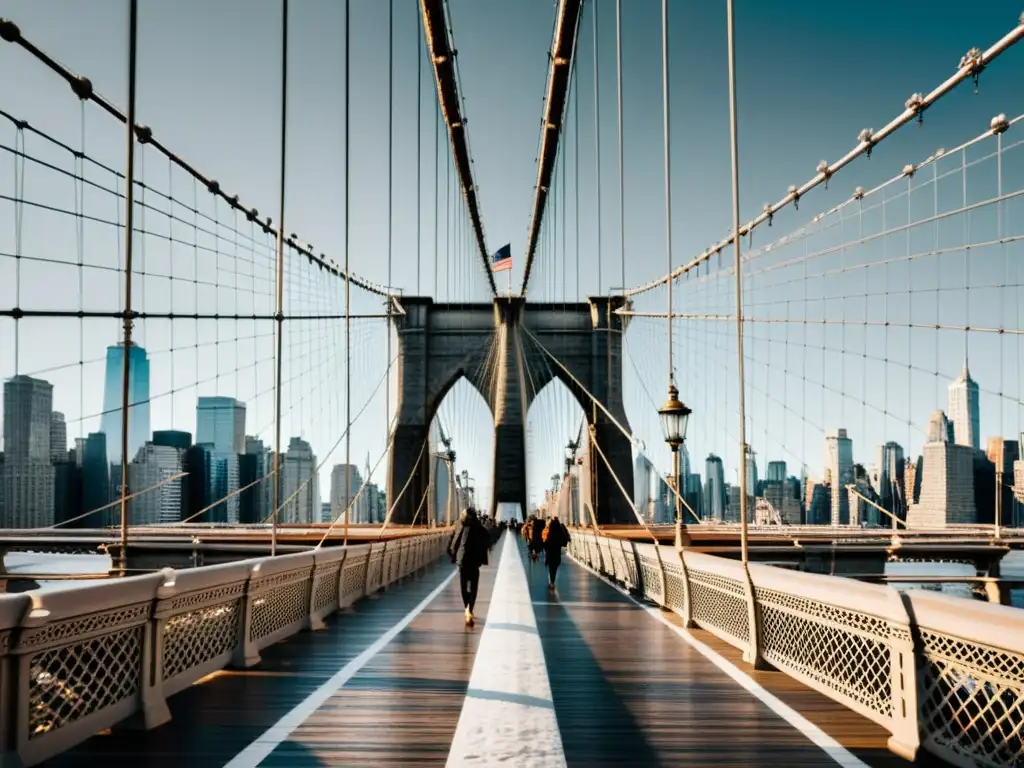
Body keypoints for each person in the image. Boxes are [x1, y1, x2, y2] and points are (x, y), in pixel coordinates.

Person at [448, 507, 490, 626]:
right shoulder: (479, 528)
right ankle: (469, 608)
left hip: (463, 561)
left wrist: (452, 554)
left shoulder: (460, 525)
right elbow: (486, 540)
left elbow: (453, 541)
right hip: (474, 561)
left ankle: (467, 607)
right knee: (473, 586)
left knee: (463, 586)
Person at [542, 515, 571, 590]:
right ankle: (552, 581)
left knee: (551, 568)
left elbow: (545, 543)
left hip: (550, 553)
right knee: (554, 568)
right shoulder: (559, 532)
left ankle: (552, 582)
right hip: (557, 553)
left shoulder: (550, 533)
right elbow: (564, 542)